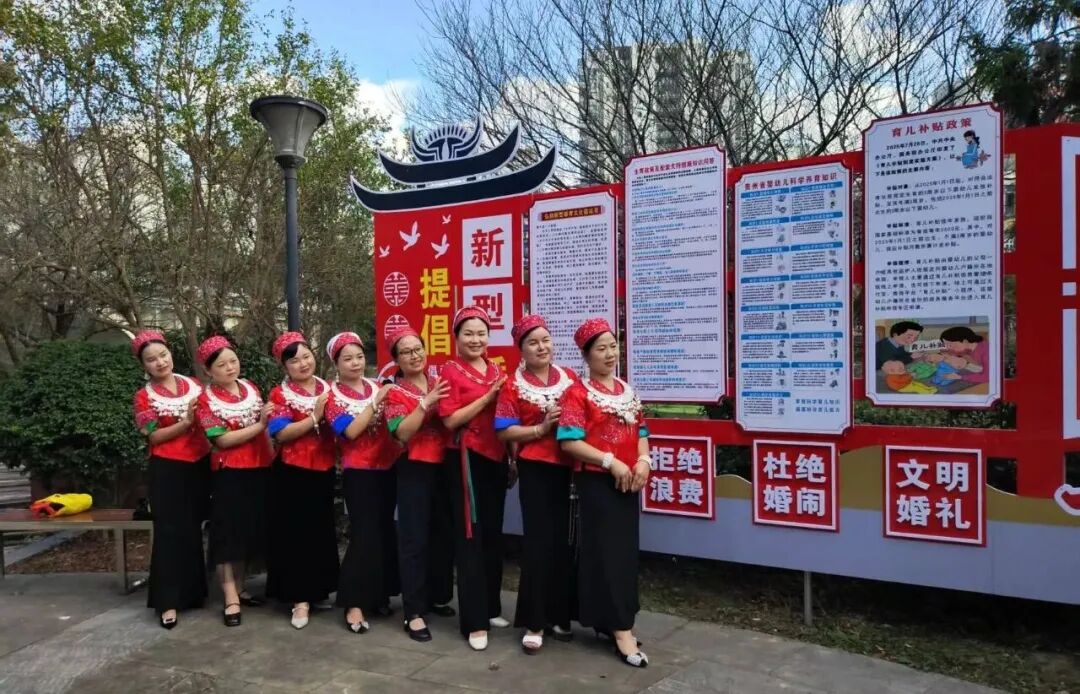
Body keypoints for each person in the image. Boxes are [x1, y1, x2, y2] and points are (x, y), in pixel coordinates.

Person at [557, 318, 650, 668]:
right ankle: (620, 628)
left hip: (629, 482)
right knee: (605, 553)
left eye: (613, 346)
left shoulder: (627, 390)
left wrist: (644, 461)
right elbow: (569, 441)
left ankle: (618, 619)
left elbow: (642, 431)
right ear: (586, 355)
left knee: (625, 553)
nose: (610, 354)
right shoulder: (577, 393)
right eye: (601, 348)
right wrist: (610, 461)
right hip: (597, 483)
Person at [494, 315, 577, 654]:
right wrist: (541, 429)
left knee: (563, 542)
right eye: (533, 342)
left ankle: (560, 614)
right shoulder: (513, 386)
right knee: (539, 542)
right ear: (521, 349)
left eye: (545, 340)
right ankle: (535, 620)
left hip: (570, 466)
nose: (542, 347)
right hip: (536, 469)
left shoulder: (569, 378)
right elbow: (504, 430)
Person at [439, 306, 510, 651]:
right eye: (468, 333)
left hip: (496, 458)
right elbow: (450, 420)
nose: (476, 339)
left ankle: (491, 606)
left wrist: (513, 457)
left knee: (493, 534)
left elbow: (507, 417)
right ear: (456, 337)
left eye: (481, 333)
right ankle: (474, 620)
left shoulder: (497, 370)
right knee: (471, 535)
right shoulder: (449, 371)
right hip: (465, 459)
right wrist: (487, 398)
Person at [131, 330, 211, 630]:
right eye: (151, 359)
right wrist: (186, 422)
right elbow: (153, 435)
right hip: (167, 467)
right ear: (144, 365)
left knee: (193, 529)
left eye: (163, 355)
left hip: (200, 463)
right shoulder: (143, 397)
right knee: (168, 532)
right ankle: (167, 601)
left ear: (171, 354)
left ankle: (192, 593)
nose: (160, 362)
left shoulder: (195, 386)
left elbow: (211, 420)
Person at [194, 335, 274, 627]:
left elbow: (266, 431)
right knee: (227, 534)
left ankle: (240, 587)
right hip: (229, 472)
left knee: (247, 531)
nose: (230, 368)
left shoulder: (251, 388)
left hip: (259, 468)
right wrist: (260, 425)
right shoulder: (204, 400)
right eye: (222, 365)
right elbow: (222, 440)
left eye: (233, 361)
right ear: (208, 370)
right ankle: (229, 596)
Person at [324, 331, 399, 634]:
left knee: (384, 531)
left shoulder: (376, 386)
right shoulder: (331, 397)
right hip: (359, 471)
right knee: (363, 534)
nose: (355, 363)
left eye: (359, 356)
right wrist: (375, 403)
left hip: (388, 467)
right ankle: (353, 602)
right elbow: (350, 432)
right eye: (347, 359)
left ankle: (378, 595)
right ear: (336, 364)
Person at [265, 331, 340, 629]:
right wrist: (314, 417)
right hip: (292, 471)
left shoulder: (329, 388)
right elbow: (281, 433)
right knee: (296, 534)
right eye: (294, 361)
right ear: (285, 366)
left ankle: (318, 591)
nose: (303, 363)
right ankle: (299, 599)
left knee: (320, 531)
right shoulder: (279, 394)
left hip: (324, 468)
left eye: (306, 356)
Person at [383, 326, 452, 643]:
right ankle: (413, 612)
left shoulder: (440, 382)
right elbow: (401, 433)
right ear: (396, 359)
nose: (414, 356)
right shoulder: (394, 391)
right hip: (414, 468)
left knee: (442, 535)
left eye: (418, 349)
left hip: (446, 466)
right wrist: (426, 404)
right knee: (414, 539)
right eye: (406, 352)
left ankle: (436, 596)